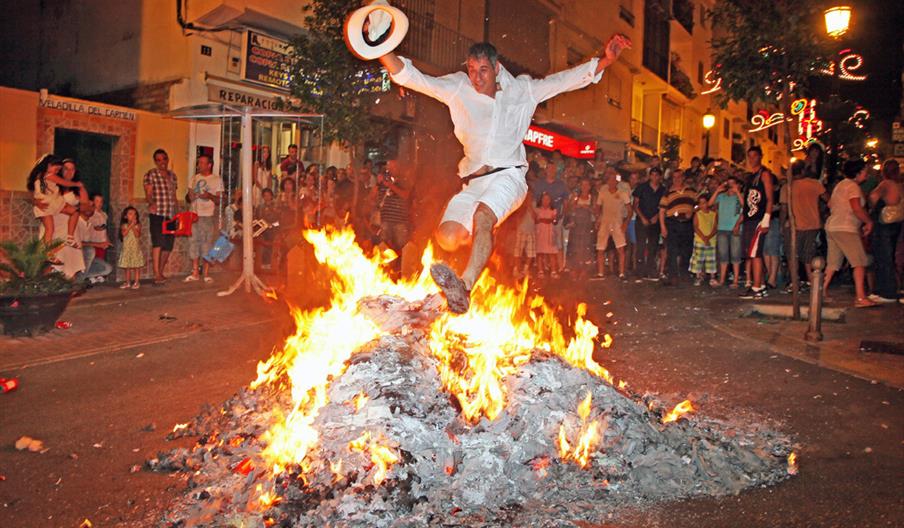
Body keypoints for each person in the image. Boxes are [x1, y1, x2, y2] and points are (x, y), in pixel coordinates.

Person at [376, 33, 631, 312]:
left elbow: (563, 81)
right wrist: (380, 48)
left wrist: (605, 60)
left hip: (509, 176)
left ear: (496, 69)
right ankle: (481, 238)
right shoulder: (458, 87)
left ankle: (466, 286)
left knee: (483, 216)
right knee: (446, 237)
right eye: (472, 70)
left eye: (483, 70)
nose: (476, 77)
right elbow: (413, 77)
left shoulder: (522, 91)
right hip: (472, 181)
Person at [823, 160, 875, 308]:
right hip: (846, 227)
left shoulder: (840, 185)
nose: (867, 173)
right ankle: (860, 297)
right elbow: (856, 208)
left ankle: (821, 291)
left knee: (833, 263)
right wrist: (868, 221)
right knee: (859, 261)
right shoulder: (853, 187)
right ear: (858, 172)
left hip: (833, 226)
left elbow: (830, 204)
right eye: (865, 170)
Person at [779, 162, 828, 291]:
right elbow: (827, 199)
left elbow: (784, 208)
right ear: (803, 171)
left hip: (794, 225)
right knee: (808, 254)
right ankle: (812, 281)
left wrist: (782, 225)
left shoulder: (788, 187)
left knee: (792, 255)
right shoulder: (814, 184)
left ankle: (795, 282)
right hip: (813, 224)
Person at [739, 146, 775, 299]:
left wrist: (766, 219)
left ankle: (756, 288)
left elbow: (769, 198)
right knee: (751, 253)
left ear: (760, 156)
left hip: (758, 219)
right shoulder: (749, 177)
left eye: (754, 155)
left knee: (755, 253)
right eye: (749, 156)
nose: (751, 159)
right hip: (749, 218)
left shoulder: (764, 174)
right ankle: (759, 284)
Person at [27, 154, 84, 252]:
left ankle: (68, 239)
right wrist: (76, 184)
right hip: (49, 204)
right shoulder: (49, 175)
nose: (57, 172)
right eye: (56, 169)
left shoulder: (39, 176)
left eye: (58, 170)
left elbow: (38, 192)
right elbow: (64, 182)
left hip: (50, 203)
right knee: (51, 229)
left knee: (51, 228)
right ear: (49, 165)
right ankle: (62, 242)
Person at [184, 154, 224, 283]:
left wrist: (209, 196)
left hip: (207, 216)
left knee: (206, 244)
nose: (199, 165)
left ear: (209, 165)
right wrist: (192, 196)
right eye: (198, 162)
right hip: (194, 215)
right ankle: (195, 272)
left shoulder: (216, 179)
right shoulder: (194, 178)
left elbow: (219, 200)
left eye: (202, 163)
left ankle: (206, 274)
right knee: (193, 243)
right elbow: (189, 196)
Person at [867, 159, 902, 303]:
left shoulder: (886, 184)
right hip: (897, 223)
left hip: (885, 223)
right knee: (892, 256)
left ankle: (886, 292)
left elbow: (873, 196)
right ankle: (892, 288)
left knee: (883, 256)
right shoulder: (900, 185)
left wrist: (873, 207)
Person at [143, 148, 178, 285]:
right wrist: (151, 203)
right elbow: (148, 193)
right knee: (158, 242)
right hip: (158, 214)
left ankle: (161, 272)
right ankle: (156, 273)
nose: (161, 162)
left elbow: (174, 196)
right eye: (158, 160)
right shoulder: (151, 174)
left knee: (168, 245)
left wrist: (177, 212)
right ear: (155, 162)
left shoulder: (173, 176)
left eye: (163, 159)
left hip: (170, 214)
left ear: (167, 159)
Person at [658, 169, 696, 284]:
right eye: (674, 177)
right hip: (673, 223)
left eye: (679, 177)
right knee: (672, 251)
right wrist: (663, 227)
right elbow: (661, 211)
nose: (677, 179)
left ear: (683, 177)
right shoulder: (667, 192)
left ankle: (684, 273)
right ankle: (673, 275)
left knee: (687, 250)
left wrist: (692, 211)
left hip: (687, 224)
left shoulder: (691, 191)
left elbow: (698, 204)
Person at [710, 176, 744, 288]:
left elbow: (746, 207)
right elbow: (710, 204)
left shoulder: (740, 196)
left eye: (732, 183)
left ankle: (735, 281)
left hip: (735, 229)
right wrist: (717, 190)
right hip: (722, 228)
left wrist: (737, 192)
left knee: (735, 256)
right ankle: (722, 280)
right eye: (728, 184)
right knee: (723, 256)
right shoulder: (721, 196)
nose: (730, 186)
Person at [595, 170, 630, 279]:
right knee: (600, 248)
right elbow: (597, 207)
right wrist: (598, 219)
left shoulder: (622, 194)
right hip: (605, 222)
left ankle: (622, 273)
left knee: (620, 248)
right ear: (607, 181)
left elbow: (630, 210)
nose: (612, 182)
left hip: (617, 223)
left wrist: (625, 223)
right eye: (610, 180)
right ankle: (600, 273)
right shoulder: (603, 193)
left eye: (614, 180)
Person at [633, 166, 666, 280]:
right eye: (652, 174)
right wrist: (642, 218)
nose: (654, 177)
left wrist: (657, 216)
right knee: (641, 246)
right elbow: (635, 205)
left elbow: (664, 205)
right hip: (642, 220)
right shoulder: (642, 187)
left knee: (653, 246)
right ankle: (639, 271)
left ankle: (650, 270)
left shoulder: (663, 189)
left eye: (657, 175)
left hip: (655, 221)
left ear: (660, 176)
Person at [565, 178, 596, 280]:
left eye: (586, 185)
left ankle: (584, 270)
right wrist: (575, 206)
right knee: (574, 248)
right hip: (576, 226)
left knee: (585, 248)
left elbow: (596, 211)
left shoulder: (592, 198)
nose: (584, 187)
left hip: (586, 227)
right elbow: (568, 209)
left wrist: (587, 208)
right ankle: (574, 269)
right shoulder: (575, 197)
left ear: (589, 186)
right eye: (583, 185)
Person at [76, 202, 113, 284]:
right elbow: (77, 243)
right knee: (89, 250)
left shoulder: (91, 223)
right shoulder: (75, 221)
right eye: (86, 205)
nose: (89, 208)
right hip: (75, 256)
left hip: (84, 260)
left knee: (107, 268)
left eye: (92, 206)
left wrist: (105, 242)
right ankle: (77, 283)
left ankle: (76, 277)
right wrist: (97, 244)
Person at [690, 194, 718, 286]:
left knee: (711, 260)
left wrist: (708, 237)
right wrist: (703, 238)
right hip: (700, 240)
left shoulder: (713, 214)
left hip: (711, 241)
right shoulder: (697, 214)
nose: (702, 205)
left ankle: (712, 277)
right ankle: (698, 277)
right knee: (698, 259)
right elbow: (696, 227)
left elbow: (715, 228)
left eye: (704, 203)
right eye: (700, 203)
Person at [118, 206, 144, 289]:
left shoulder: (138, 225)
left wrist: (133, 226)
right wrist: (130, 226)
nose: (133, 216)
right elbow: (124, 234)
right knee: (127, 267)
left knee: (136, 266)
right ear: (125, 216)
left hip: (135, 249)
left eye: (134, 214)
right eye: (130, 214)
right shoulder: (124, 225)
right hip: (127, 249)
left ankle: (136, 282)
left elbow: (137, 235)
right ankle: (127, 282)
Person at [535, 192, 558, 278]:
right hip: (540, 233)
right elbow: (537, 220)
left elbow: (554, 221)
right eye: (544, 199)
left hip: (549, 233)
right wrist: (544, 220)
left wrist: (547, 220)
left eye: (547, 199)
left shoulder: (553, 210)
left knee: (552, 253)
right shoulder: (537, 210)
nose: (545, 201)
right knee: (540, 253)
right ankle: (540, 271)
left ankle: (553, 271)